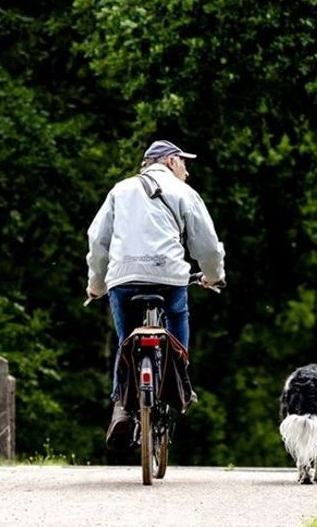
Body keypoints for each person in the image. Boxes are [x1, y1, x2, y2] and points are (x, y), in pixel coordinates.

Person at [85, 139, 226, 449]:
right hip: (169, 278)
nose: (187, 171)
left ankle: (121, 406)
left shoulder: (119, 190)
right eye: (184, 163)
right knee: (177, 316)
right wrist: (214, 276)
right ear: (171, 161)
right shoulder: (184, 192)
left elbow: (98, 241)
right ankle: (181, 382)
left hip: (124, 279)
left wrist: (96, 284)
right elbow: (207, 245)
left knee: (125, 341)